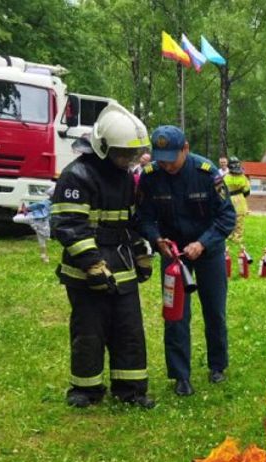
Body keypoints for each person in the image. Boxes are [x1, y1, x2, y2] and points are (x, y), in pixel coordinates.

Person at [50, 103, 154, 408]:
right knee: (89, 331)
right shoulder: (77, 176)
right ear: (102, 145)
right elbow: (69, 225)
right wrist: (92, 264)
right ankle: (86, 390)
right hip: (85, 272)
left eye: (132, 154)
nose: (128, 160)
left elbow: (129, 222)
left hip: (121, 266)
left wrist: (140, 252)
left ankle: (131, 391)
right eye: (123, 153)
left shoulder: (123, 177)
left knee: (129, 330)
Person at [138, 125, 236, 397]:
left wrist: (202, 243)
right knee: (176, 314)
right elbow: (143, 217)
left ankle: (218, 365)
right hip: (172, 255)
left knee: (214, 310)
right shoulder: (150, 176)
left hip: (208, 251)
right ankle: (180, 375)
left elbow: (226, 217)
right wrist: (156, 239)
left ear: (186, 149)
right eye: (161, 158)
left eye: (172, 158)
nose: (166, 165)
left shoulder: (207, 174)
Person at [224, 156, 251, 244]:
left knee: (229, 218)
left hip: (228, 199)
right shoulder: (243, 177)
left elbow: (221, 190)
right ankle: (237, 238)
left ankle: (229, 235)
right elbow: (246, 191)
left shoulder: (225, 177)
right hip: (240, 199)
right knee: (239, 220)